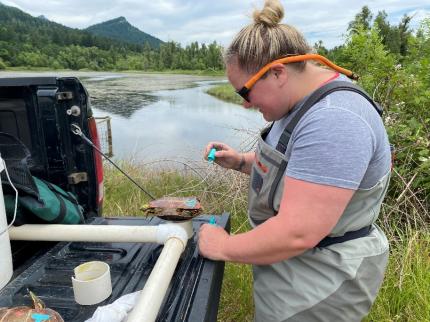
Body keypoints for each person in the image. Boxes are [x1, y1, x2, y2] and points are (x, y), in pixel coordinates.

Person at [197, 0, 392, 321]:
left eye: (245, 93)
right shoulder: (296, 105)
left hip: (322, 280)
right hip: (293, 268)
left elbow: (297, 233)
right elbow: (298, 169)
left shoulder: (334, 120)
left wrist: (223, 247)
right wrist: (241, 161)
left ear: (277, 73)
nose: (245, 105)